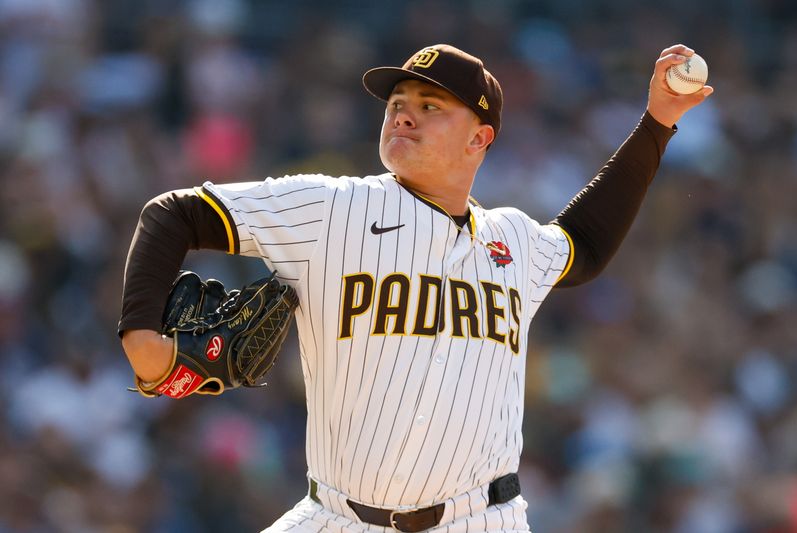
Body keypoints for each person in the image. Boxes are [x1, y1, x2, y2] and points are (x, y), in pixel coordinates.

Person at [119, 43, 713, 532]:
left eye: (431, 105)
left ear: (480, 139)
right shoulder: (332, 208)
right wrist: (143, 339)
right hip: (336, 518)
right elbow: (173, 214)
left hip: (482, 521)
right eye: (398, 102)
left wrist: (658, 123)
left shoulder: (514, 241)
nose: (404, 113)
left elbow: (585, 242)